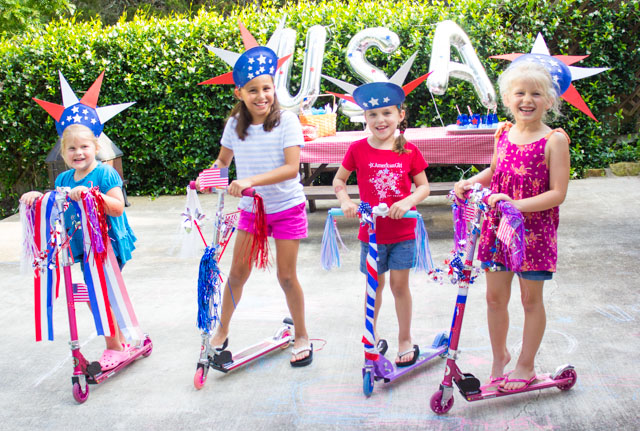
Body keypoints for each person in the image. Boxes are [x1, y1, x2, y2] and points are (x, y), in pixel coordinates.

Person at [196, 22, 312, 367]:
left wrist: (249, 182)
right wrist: (207, 178)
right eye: (253, 91)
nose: (262, 96)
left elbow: (292, 168)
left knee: (286, 276)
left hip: (286, 207)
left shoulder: (287, 122)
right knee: (237, 273)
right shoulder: (234, 125)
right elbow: (222, 161)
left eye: (267, 88)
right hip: (251, 211)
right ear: (239, 94)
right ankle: (222, 331)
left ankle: (302, 333)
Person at [454, 59, 571, 392]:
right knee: (494, 298)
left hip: (533, 235)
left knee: (531, 300)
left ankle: (526, 364)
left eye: (536, 93)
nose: (527, 100)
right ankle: (499, 356)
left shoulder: (554, 141)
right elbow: (494, 171)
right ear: (507, 98)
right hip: (497, 228)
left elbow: (558, 193)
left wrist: (515, 204)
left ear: (550, 100)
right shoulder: (502, 132)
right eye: (519, 92)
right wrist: (469, 182)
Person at [325, 60, 431, 366]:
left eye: (387, 113)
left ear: (400, 114)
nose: (380, 120)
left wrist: (408, 201)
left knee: (400, 286)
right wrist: (346, 200)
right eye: (373, 114)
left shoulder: (409, 150)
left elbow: (423, 187)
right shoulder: (357, 149)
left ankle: (404, 338)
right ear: (365, 117)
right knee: (374, 286)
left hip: (402, 233)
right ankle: (371, 335)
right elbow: (339, 181)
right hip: (371, 234)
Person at [20, 124, 137, 370]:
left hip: (107, 246)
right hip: (83, 247)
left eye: (84, 146)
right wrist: (36, 198)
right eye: (71, 148)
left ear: (96, 147)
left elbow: (117, 206)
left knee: (99, 294)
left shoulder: (105, 173)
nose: (78, 152)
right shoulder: (64, 178)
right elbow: (55, 205)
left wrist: (91, 194)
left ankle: (115, 346)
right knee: (97, 296)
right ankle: (122, 337)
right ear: (63, 154)